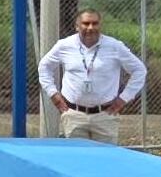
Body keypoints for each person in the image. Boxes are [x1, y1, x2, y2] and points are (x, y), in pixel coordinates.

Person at [37, 8, 147, 144]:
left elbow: (139, 70)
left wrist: (124, 98)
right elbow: (44, 67)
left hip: (105, 116)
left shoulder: (115, 47)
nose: (90, 27)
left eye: (95, 23)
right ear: (77, 26)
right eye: (86, 23)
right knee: (77, 161)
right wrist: (53, 94)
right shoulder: (64, 45)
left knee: (105, 161)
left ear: (100, 25)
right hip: (74, 115)